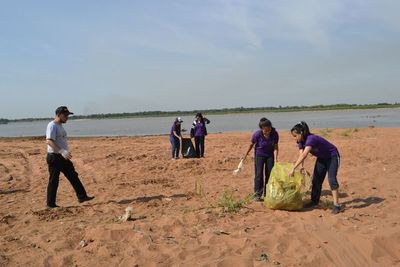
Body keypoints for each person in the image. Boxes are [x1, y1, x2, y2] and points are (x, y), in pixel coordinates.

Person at [45, 106, 94, 208]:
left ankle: (82, 196)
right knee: (54, 180)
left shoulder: (60, 125)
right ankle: (50, 204)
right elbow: (49, 141)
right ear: (58, 115)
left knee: (73, 176)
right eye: (65, 115)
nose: (67, 117)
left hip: (63, 157)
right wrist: (61, 151)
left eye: (68, 115)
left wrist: (64, 152)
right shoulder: (52, 125)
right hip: (54, 157)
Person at [288, 121, 341, 214]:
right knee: (316, 180)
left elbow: (305, 154)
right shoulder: (300, 141)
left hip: (332, 157)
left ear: (301, 133)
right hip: (322, 158)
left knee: (332, 179)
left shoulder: (311, 139)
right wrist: (301, 167)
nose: (295, 138)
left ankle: (337, 205)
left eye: (295, 136)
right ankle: (314, 201)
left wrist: (293, 168)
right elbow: (301, 154)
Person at [243, 118, 279, 201]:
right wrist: (246, 154)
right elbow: (251, 144)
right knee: (259, 174)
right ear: (261, 129)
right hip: (259, 155)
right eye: (265, 130)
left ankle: (268, 194)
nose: (267, 132)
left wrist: (276, 159)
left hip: (270, 156)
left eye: (269, 130)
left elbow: (276, 147)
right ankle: (257, 195)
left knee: (269, 174)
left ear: (271, 127)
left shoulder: (275, 134)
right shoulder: (257, 134)